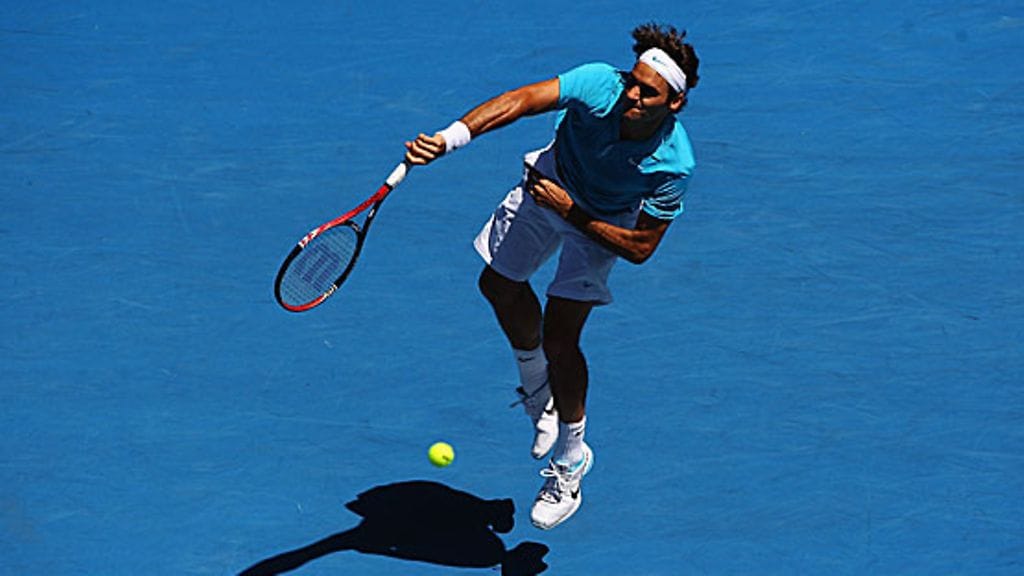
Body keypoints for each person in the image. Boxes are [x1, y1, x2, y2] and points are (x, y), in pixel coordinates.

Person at [404, 23, 700, 530]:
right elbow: (522, 100)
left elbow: (642, 248)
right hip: (551, 182)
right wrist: (451, 139)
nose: (631, 93)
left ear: (673, 103)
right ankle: (538, 391)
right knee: (497, 285)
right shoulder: (596, 84)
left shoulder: (673, 164)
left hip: (604, 221)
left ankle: (571, 458)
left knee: (563, 337)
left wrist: (576, 215)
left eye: (647, 91)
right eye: (632, 80)